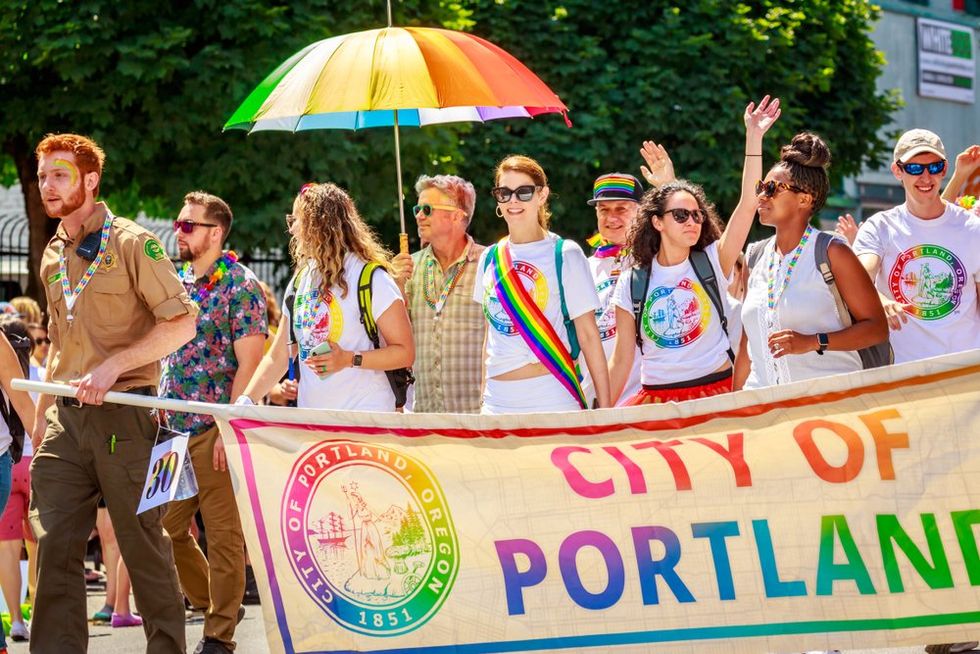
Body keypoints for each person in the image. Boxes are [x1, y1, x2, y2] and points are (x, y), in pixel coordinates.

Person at [29, 133, 196, 654]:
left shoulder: (131, 242)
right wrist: (40, 415)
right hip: (65, 418)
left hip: (126, 413)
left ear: (90, 180)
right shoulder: (53, 252)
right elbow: (59, 340)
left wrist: (114, 367)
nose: (47, 186)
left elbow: (183, 322)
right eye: (41, 177)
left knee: (141, 543)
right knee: (53, 542)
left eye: (59, 175)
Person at [608, 96, 780, 404]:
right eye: (680, 215)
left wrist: (754, 138)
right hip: (656, 402)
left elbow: (747, 203)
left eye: (697, 214)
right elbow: (621, 361)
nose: (692, 221)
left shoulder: (712, 262)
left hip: (713, 395)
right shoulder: (632, 282)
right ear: (657, 222)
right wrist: (597, 418)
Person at [160, 191, 267, 654]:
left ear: (216, 232)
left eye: (189, 225)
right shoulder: (175, 278)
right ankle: (216, 604)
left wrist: (229, 425)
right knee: (165, 527)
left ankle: (218, 635)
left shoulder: (241, 286)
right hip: (170, 431)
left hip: (213, 428)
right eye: (179, 223)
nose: (178, 232)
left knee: (225, 538)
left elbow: (251, 363)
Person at [734, 132, 888, 390]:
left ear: (805, 199)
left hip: (828, 405)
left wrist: (814, 341)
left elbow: (877, 328)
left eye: (771, 189)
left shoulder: (832, 252)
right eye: (761, 187)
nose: (762, 196)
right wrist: (734, 407)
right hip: (763, 406)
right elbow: (745, 344)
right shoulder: (755, 256)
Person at [241, 182, 413, 410]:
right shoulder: (300, 280)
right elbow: (279, 356)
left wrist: (349, 359)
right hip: (314, 424)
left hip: (367, 421)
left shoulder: (371, 278)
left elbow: (405, 352)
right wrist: (245, 401)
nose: (291, 230)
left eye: (295, 221)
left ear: (317, 223)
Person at [473, 155, 610, 413]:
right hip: (496, 403)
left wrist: (606, 409)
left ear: (542, 195)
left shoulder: (565, 254)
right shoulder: (489, 258)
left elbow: (589, 336)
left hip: (553, 397)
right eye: (504, 193)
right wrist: (482, 400)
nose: (513, 201)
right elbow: (488, 338)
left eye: (523, 192)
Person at [853, 130, 980, 364]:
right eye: (914, 168)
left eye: (933, 167)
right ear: (897, 171)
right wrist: (882, 301)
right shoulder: (880, 226)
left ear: (944, 169)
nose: (925, 177)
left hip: (966, 373)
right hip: (904, 374)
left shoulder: (973, 228)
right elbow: (860, 278)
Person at [390, 174, 486, 413]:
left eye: (427, 209)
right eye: (417, 208)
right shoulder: (408, 268)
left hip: (478, 416)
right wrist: (396, 286)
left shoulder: (490, 264)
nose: (419, 216)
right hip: (424, 418)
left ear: (457, 215)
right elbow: (393, 340)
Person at [581, 172, 646, 405]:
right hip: (593, 399)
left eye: (621, 209)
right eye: (604, 210)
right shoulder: (583, 267)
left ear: (641, 211)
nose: (612, 218)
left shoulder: (653, 260)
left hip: (641, 399)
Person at [0, 316, 36, 650]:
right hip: (18, 459)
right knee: (33, 544)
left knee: (8, 549)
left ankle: (11, 625)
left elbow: (17, 396)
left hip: (4, 459)